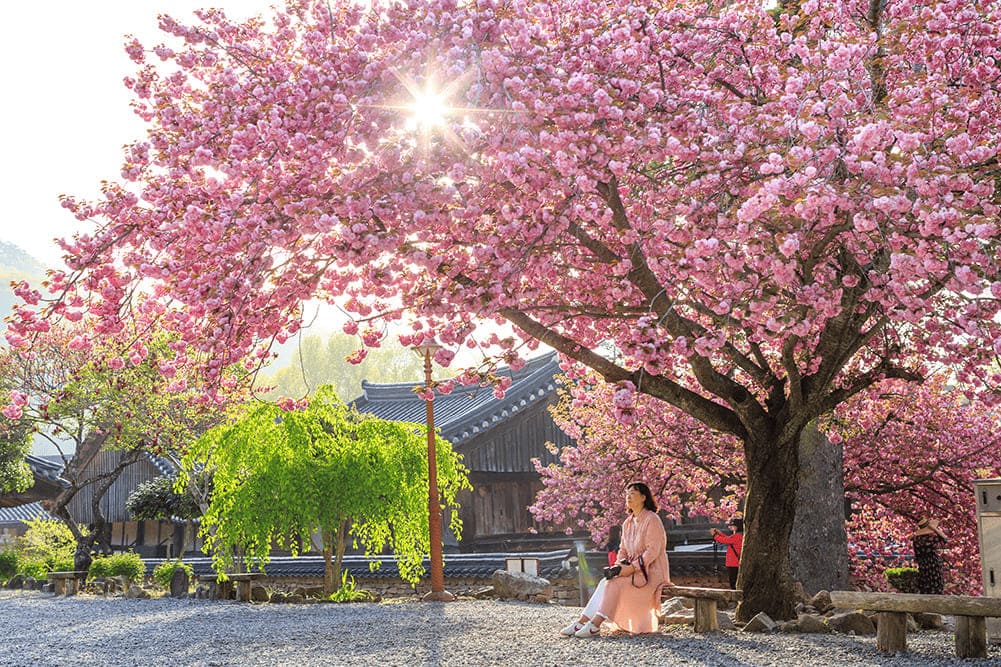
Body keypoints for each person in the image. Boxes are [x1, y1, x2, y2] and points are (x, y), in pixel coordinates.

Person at [560, 482, 671, 638]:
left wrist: (632, 568)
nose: (628, 497)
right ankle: (582, 621)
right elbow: (623, 550)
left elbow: (652, 551)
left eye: (633, 493)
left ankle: (596, 624)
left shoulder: (652, 519)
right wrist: (618, 567)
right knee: (605, 582)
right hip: (632, 571)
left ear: (644, 497)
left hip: (651, 573)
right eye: (627, 494)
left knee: (615, 583)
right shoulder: (627, 523)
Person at [912, 516, 948, 594]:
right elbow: (945, 538)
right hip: (933, 562)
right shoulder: (931, 538)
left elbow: (916, 553)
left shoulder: (916, 540)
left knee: (925, 584)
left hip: (923, 563)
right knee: (936, 584)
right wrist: (934, 529)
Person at [710, 518, 743, 590]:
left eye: (733, 525)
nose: (731, 527)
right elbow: (728, 539)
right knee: (734, 581)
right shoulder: (738, 536)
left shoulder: (737, 536)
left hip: (734, 563)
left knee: (733, 582)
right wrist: (720, 533)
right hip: (735, 562)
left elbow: (725, 540)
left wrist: (715, 536)